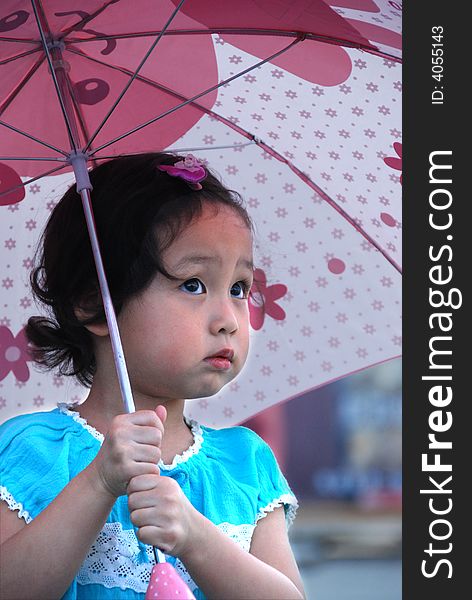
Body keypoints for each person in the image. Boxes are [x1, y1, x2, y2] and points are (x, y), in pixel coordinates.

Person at [0, 153, 305, 600]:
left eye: (239, 288)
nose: (229, 320)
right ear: (94, 304)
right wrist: (99, 483)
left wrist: (196, 539)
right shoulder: (34, 452)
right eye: (193, 285)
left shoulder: (245, 463)